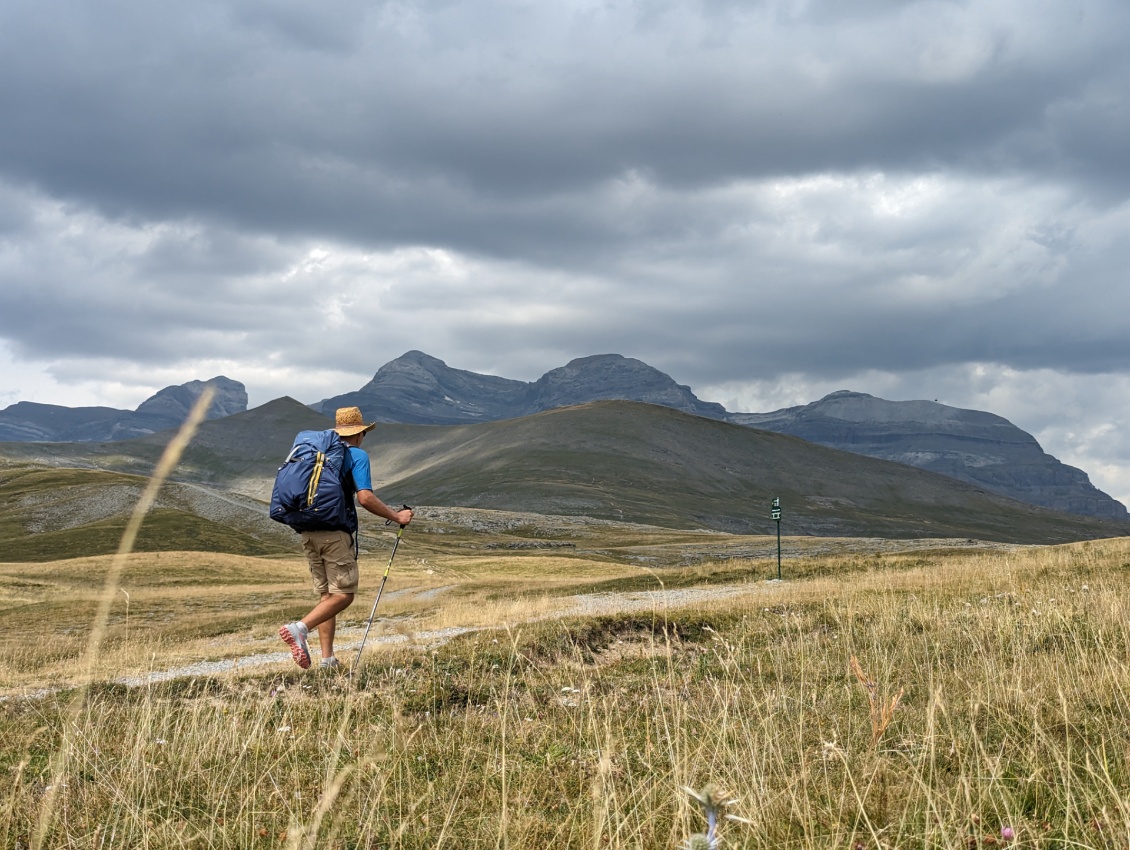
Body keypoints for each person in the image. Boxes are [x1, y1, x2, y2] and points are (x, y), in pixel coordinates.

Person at [279, 406, 413, 669]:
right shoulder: (356, 455)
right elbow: (364, 498)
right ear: (360, 433)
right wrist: (397, 517)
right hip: (334, 533)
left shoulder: (316, 453)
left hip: (307, 532)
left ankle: (327, 659)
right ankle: (299, 629)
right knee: (345, 595)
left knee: (328, 596)